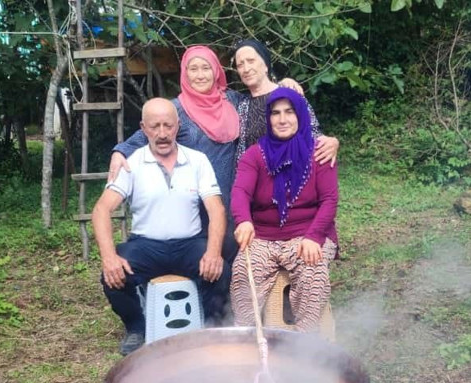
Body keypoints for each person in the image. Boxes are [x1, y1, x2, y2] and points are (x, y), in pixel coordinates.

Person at [108, 43, 339, 261]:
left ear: (217, 72)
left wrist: (286, 85)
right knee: (200, 258)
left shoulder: (234, 102)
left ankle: (242, 301)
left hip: (234, 196)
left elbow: (285, 113)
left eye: (206, 68)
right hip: (194, 199)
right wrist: (120, 151)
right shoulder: (178, 109)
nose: (200, 75)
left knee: (233, 254)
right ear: (184, 73)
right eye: (193, 69)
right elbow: (149, 131)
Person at [93, 98, 230, 355]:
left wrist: (213, 252)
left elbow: (216, 208)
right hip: (146, 245)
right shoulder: (131, 163)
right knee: (111, 275)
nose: (163, 133)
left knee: (220, 270)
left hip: (189, 243)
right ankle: (136, 326)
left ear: (178, 126)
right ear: (143, 129)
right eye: (155, 127)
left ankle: (213, 329)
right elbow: (102, 210)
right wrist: (109, 257)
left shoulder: (197, 160)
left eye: (168, 125)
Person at [230, 87, 338, 332]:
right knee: (242, 270)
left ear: (300, 115)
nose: (282, 119)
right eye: (275, 113)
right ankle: (245, 337)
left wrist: (314, 237)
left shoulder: (319, 152)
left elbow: (330, 200)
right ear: (268, 118)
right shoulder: (255, 155)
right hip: (264, 236)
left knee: (312, 269)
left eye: (289, 112)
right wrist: (243, 221)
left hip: (308, 232)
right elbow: (240, 192)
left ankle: (304, 343)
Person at [232, 39, 339, 166]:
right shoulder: (242, 105)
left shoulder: (290, 94)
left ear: (266, 65)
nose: (246, 69)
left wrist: (332, 142)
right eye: (240, 65)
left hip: (291, 176)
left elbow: (312, 132)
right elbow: (241, 151)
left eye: (251, 61)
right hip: (256, 181)